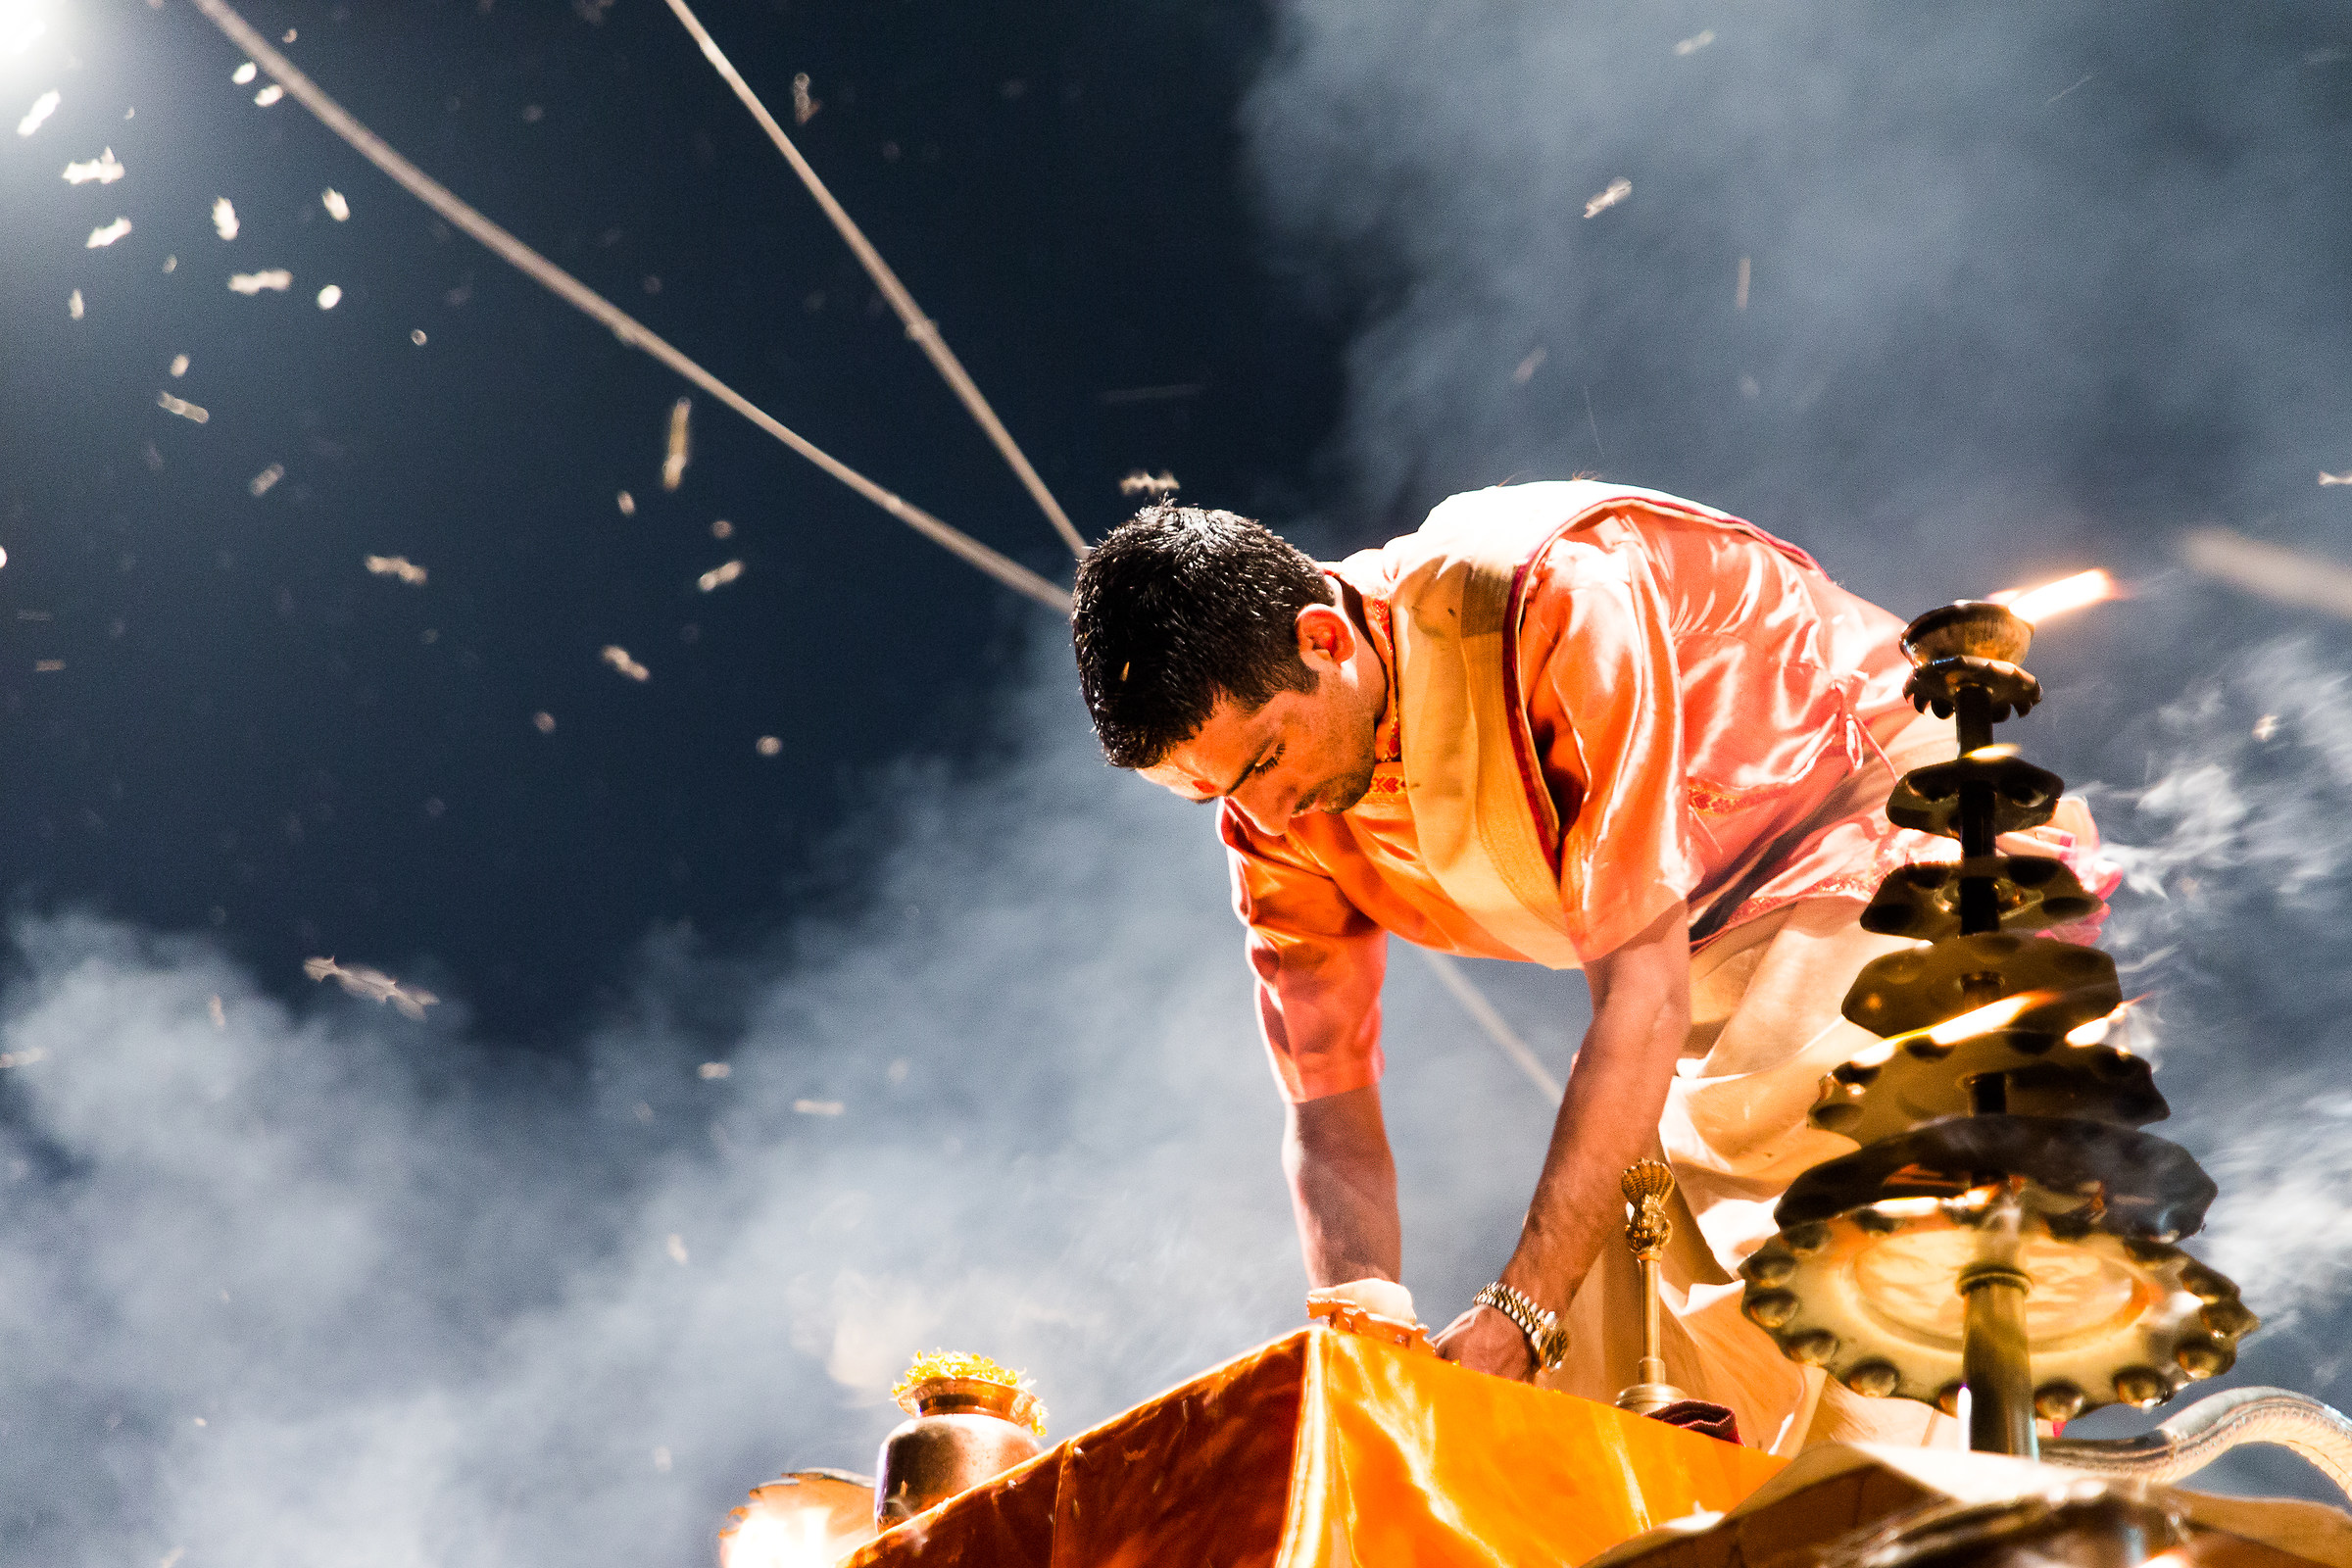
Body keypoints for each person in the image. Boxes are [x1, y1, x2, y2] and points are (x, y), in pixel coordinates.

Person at [1069, 480, 2112, 1451]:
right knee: (1615, 1361)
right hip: (1712, 966)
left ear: (1323, 637)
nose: (1264, 813)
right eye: (1217, 797)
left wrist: (1519, 1309)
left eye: (1262, 760)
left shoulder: (1547, 597)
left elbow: (1640, 998)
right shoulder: (1276, 819)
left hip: (1907, 837)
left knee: (1783, 1195)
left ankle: (1932, 1506)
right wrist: (1364, 1331)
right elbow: (1328, 1110)